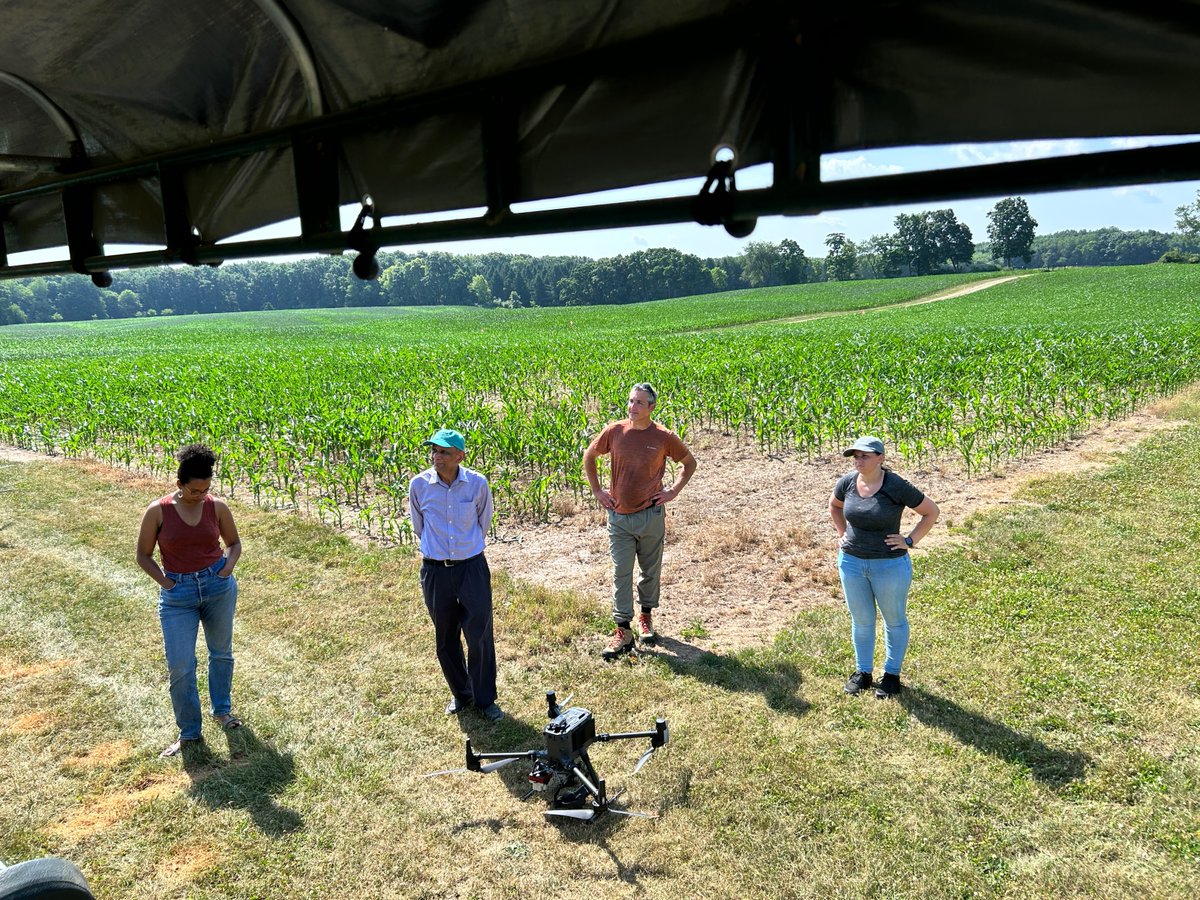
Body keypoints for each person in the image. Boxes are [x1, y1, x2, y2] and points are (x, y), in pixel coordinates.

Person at [136, 444, 243, 758]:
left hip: (217, 586)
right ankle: (189, 733)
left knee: (221, 653)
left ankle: (222, 711)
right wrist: (167, 583)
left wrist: (227, 568)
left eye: (207, 489)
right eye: (196, 490)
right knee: (181, 665)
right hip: (177, 595)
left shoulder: (217, 506)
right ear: (180, 484)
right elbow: (143, 556)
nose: (202, 495)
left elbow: (234, 543)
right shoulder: (158, 510)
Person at [583, 383, 698, 659]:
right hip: (619, 518)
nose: (632, 407)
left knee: (650, 571)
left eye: (639, 403)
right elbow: (590, 455)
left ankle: (646, 616)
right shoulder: (615, 431)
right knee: (621, 572)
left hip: (650, 516)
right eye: (631, 401)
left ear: (651, 407)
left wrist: (672, 491)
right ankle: (623, 629)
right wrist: (598, 490)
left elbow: (689, 463)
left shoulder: (663, 437)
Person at [828, 436, 940, 699]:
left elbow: (931, 512)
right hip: (852, 563)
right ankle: (863, 674)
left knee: (894, 620)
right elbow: (834, 506)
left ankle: (891, 676)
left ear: (881, 458)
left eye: (864, 456)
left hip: (889, 566)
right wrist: (842, 532)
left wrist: (910, 540)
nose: (858, 460)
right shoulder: (847, 482)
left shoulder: (895, 485)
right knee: (862, 620)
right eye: (855, 456)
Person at [409, 428, 503, 722]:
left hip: (471, 568)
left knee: (480, 635)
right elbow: (419, 525)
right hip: (436, 571)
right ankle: (462, 694)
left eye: (444, 452)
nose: (437, 457)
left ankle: (485, 698)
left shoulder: (477, 484)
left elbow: (482, 522)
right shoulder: (419, 485)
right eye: (434, 451)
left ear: (460, 456)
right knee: (445, 636)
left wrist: (463, 551)